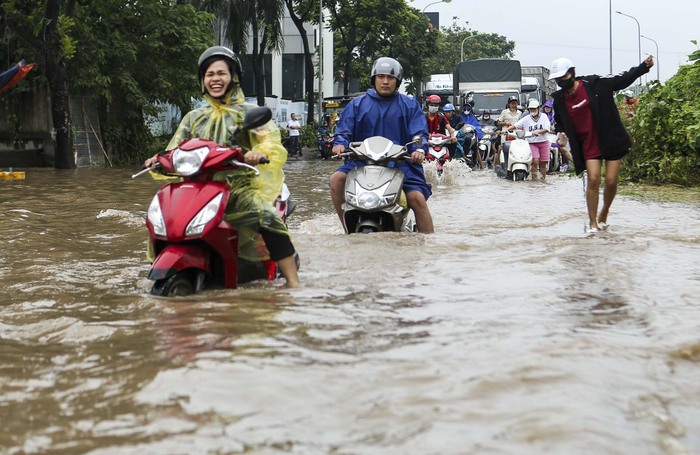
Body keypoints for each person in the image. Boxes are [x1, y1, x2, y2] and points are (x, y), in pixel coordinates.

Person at [144, 46, 299, 287]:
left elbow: (270, 141)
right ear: (203, 81)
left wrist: (259, 152)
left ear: (233, 77)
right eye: (209, 74)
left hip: (237, 190)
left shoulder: (246, 113)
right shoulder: (193, 117)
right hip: (197, 189)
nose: (215, 79)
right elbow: (175, 148)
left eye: (221, 73)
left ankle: (292, 283)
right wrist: (159, 159)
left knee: (267, 217)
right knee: (163, 216)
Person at [549, 55, 653, 233]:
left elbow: (622, 79)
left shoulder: (595, 84)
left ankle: (604, 213)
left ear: (572, 73)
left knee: (611, 181)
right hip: (587, 143)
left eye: (563, 77)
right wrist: (561, 134)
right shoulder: (559, 99)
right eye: (558, 79)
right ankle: (592, 224)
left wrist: (643, 67)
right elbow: (559, 121)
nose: (561, 82)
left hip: (609, 137)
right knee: (594, 178)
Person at [330, 57, 434, 233]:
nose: (385, 81)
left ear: (398, 81)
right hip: (362, 163)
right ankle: (347, 230)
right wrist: (339, 144)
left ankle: (430, 244)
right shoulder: (357, 105)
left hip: (401, 165)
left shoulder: (409, 106)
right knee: (336, 180)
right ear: (374, 79)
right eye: (381, 77)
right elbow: (343, 131)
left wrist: (418, 150)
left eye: (390, 78)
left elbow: (419, 134)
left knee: (417, 199)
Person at [509, 99, 551, 181]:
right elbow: (516, 125)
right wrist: (506, 129)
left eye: (534, 109)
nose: (533, 111)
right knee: (535, 161)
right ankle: (534, 179)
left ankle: (543, 180)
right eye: (531, 109)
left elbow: (547, 128)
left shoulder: (544, 117)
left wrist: (539, 131)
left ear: (538, 108)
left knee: (543, 163)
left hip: (543, 142)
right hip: (532, 143)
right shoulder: (526, 118)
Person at [495, 95, 522, 166]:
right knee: (502, 148)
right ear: (509, 104)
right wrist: (505, 123)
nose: (513, 105)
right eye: (512, 103)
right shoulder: (505, 112)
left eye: (515, 103)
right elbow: (498, 122)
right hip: (505, 134)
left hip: (516, 134)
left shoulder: (520, 113)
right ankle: (500, 165)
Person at [459, 103, 484, 169]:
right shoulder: (460, 117)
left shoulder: (473, 117)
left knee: (475, 147)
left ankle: (480, 165)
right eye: (465, 109)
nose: (466, 110)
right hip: (461, 136)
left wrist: (474, 129)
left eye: (468, 109)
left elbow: (477, 127)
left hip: (472, 135)